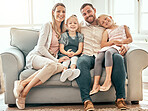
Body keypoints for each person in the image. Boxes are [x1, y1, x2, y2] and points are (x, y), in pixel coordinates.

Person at [13, 3, 69, 109]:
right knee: (53, 65)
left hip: (50, 61)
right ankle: (24, 94)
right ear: (53, 12)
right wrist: (55, 60)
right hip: (36, 56)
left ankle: (23, 83)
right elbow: (40, 48)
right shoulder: (47, 25)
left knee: (61, 67)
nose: (61, 14)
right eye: (58, 11)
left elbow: (76, 26)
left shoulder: (64, 30)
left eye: (63, 12)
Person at [76, 3, 129, 111]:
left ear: (94, 10)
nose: (87, 15)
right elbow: (67, 28)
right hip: (87, 55)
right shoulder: (80, 26)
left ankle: (120, 99)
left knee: (118, 58)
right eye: (84, 14)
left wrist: (124, 46)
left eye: (89, 11)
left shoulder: (105, 26)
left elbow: (118, 36)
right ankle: (87, 101)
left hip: (104, 54)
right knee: (81, 62)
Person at [90, 14, 133, 95]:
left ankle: (108, 80)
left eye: (106, 19)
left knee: (109, 52)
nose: (106, 21)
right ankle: (96, 85)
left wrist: (120, 42)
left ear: (111, 17)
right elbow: (103, 44)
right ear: (102, 26)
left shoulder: (123, 27)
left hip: (119, 46)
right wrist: (112, 42)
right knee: (98, 58)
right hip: (111, 45)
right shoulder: (106, 31)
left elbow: (130, 39)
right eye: (103, 22)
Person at [58, 15, 84, 82]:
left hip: (75, 53)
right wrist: (67, 53)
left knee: (74, 59)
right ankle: (64, 72)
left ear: (78, 25)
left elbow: (80, 49)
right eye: (70, 23)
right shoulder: (64, 35)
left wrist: (74, 53)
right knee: (66, 60)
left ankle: (72, 72)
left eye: (75, 23)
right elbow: (61, 49)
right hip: (65, 54)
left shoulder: (80, 36)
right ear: (67, 25)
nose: (73, 25)